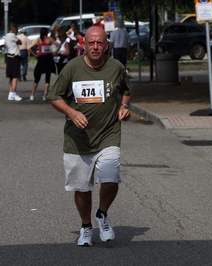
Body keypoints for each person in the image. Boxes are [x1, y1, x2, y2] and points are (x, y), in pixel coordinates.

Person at [47, 26, 132, 247]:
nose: (95, 47)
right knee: (82, 188)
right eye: (91, 43)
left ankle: (102, 214)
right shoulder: (72, 68)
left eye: (100, 43)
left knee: (111, 180)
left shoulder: (117, 68)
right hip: (78, 139)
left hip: (108, 134)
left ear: (107, 45)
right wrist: (72, 113)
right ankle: (86, 227)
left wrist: (123, 106)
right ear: (84, 45)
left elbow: (126, 89)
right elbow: (54, 96)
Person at [27, 27, 59, 101]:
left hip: (41, 59)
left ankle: (32, 94)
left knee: (37, 78)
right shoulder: (49, 39)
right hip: (48, 58)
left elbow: (29, 48)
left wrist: (35, 55)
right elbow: (58, 45)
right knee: (47, 78)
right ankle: (45, 95)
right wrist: (55, 52)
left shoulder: (38, 40)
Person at [5, 24, 22, 101]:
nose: (17, 31)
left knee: (11, 76)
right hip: (14, 57)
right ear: (13, 30)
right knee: (15, 76)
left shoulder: (6, 36)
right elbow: (20, 42)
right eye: (16, 30)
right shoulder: (12, 35)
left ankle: (11, 93)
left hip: (9, 56)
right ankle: (14, 93)